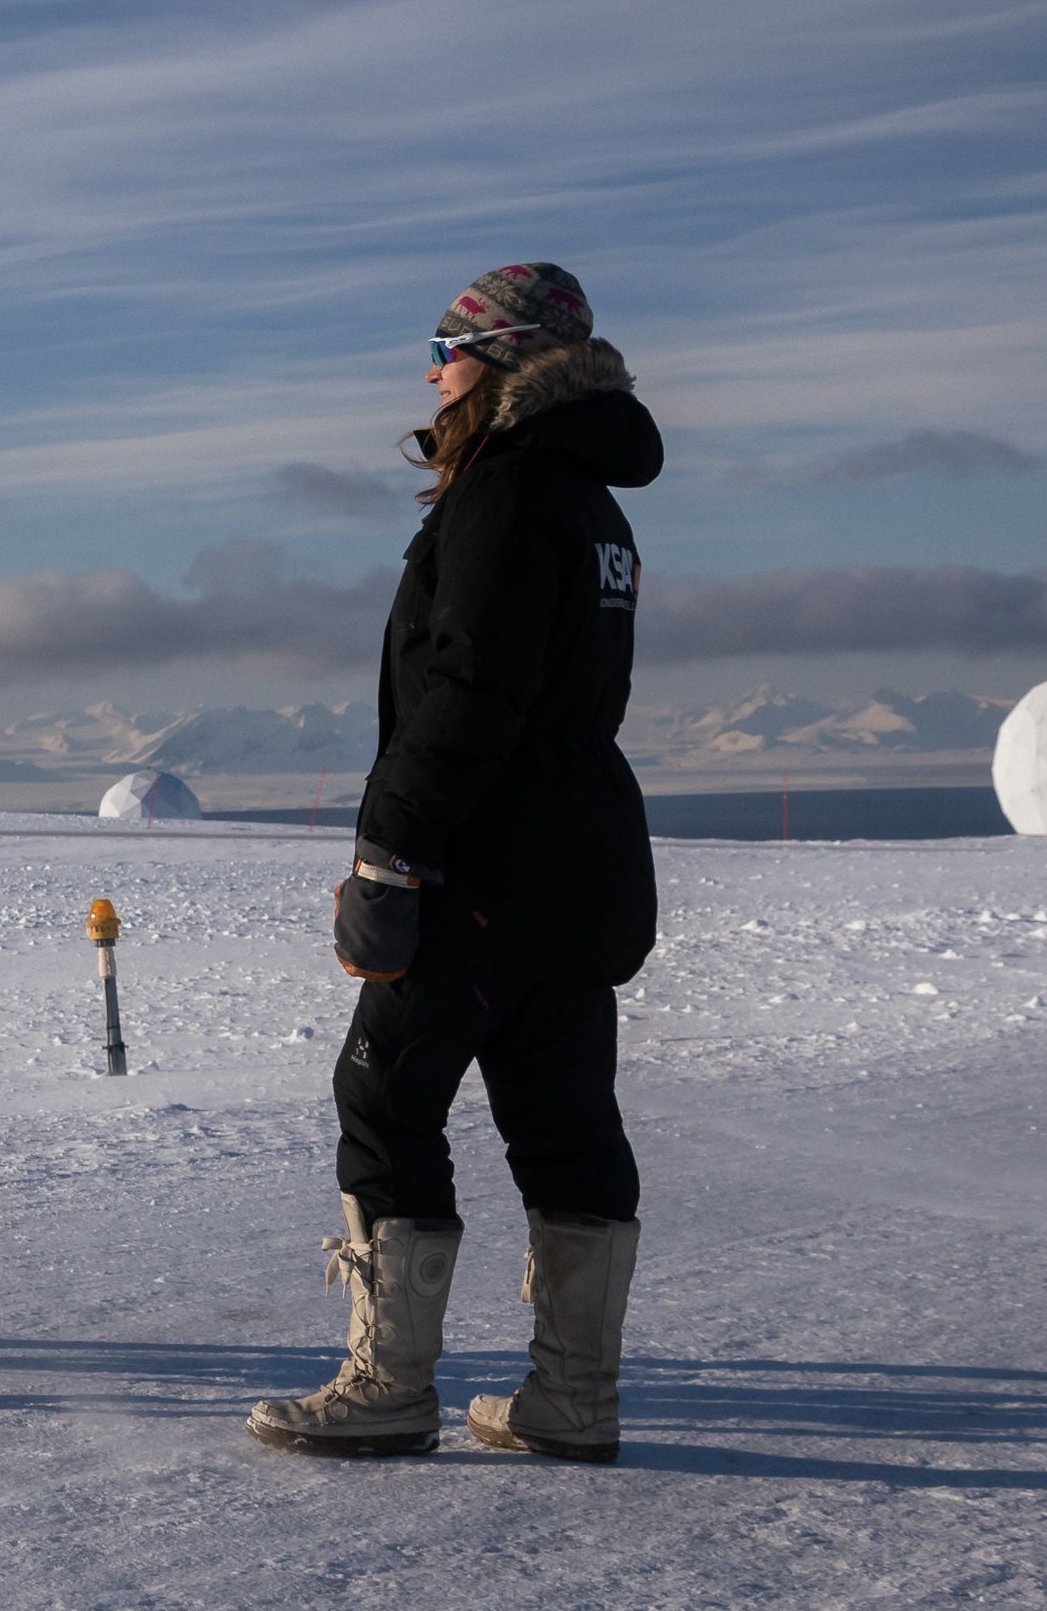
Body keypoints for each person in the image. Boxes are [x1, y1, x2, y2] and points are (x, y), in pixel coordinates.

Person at [247, 263, 660, 1463]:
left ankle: (388, 1385)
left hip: (485, 868)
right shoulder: (594, 509)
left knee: (383, 1103)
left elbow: (469, 695)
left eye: (445, 345)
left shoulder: (506, 496)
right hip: (579, 864)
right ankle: (572, 1398)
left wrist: (390, 856)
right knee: (565, 1120)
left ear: (507, 358)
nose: (431, 370)